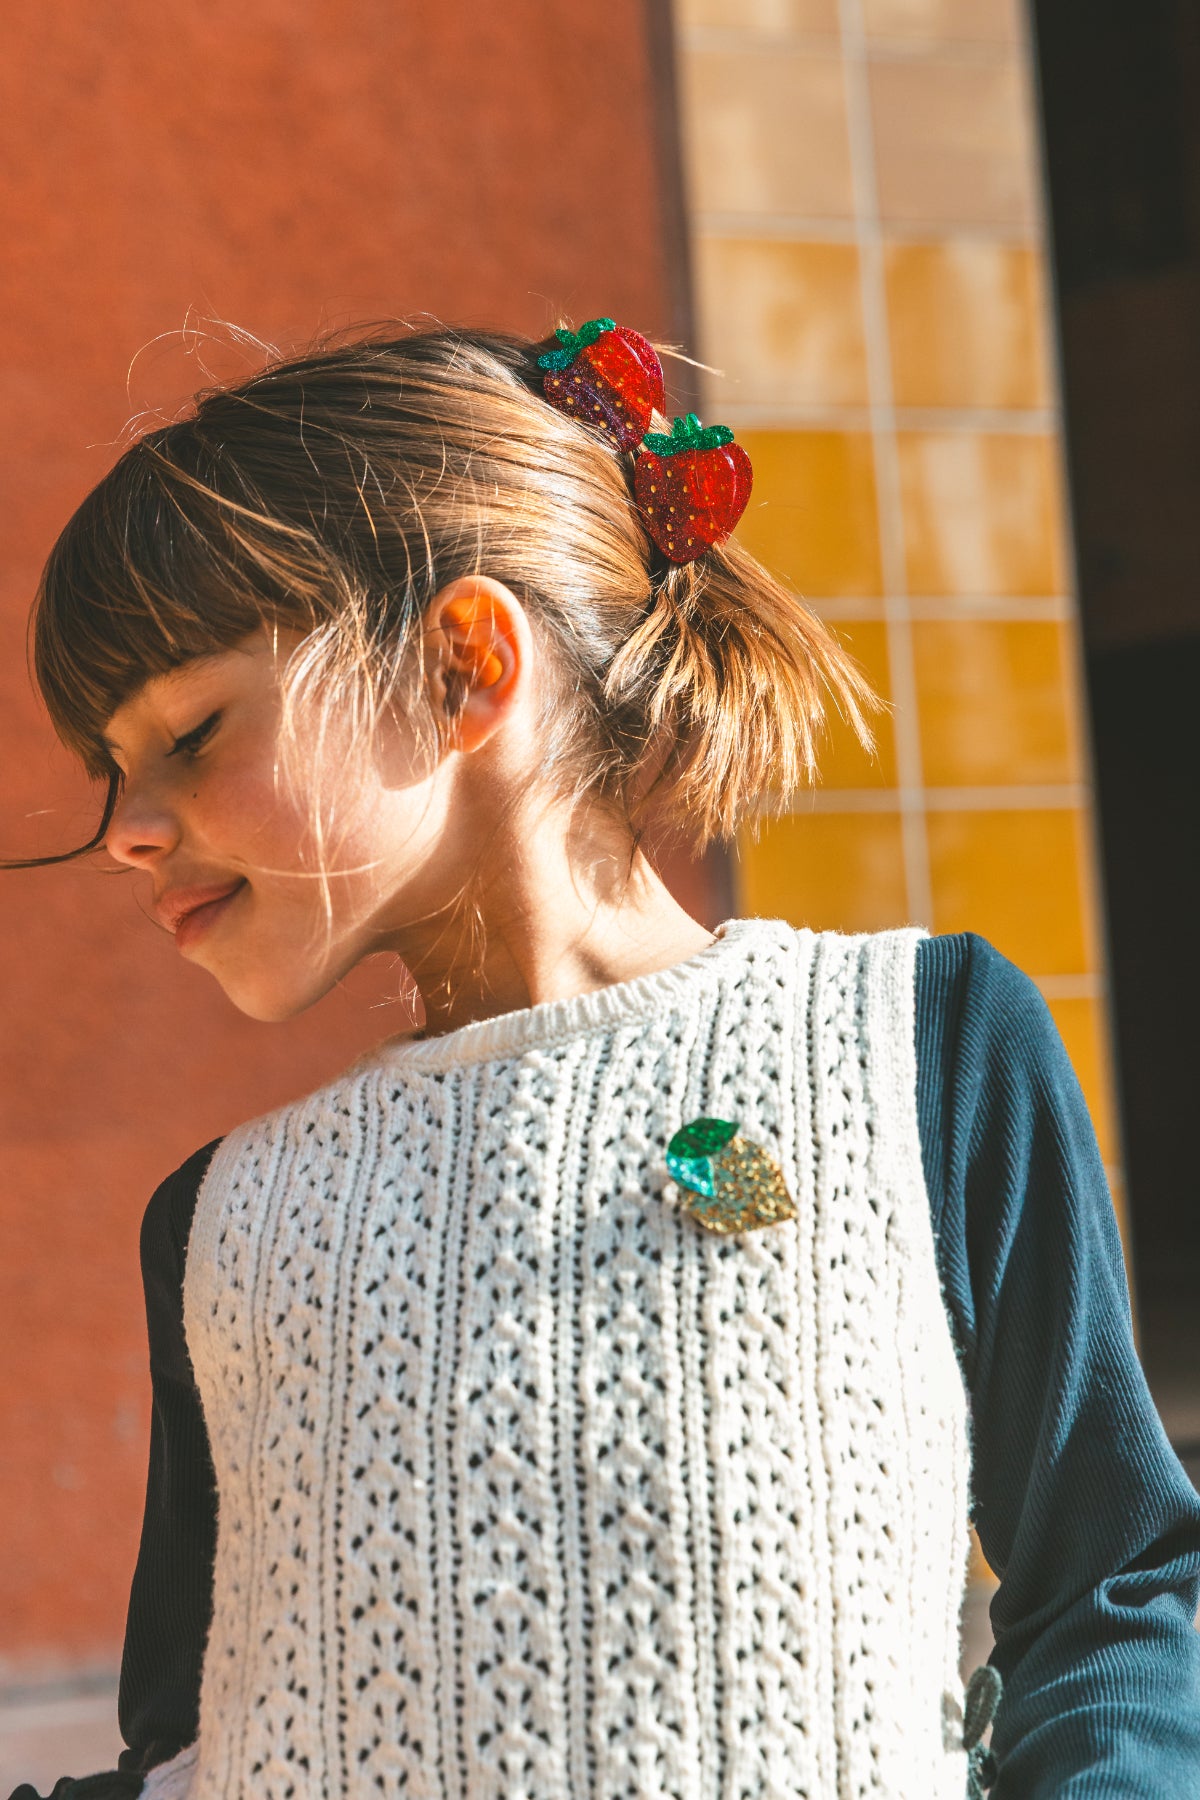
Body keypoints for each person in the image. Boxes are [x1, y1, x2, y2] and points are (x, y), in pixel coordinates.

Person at [4, 321, 1199, 1800]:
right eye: (109, 770)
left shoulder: (921, 1047)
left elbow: (1109, 1587)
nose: (125, 830)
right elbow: (182, 1747)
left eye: (188, 733)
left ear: (464, 663)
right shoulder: (221, 1226)